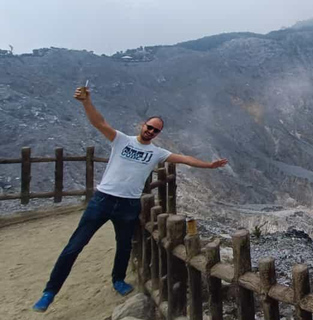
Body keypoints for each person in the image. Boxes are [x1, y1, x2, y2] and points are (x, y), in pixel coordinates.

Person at [32, 85, 228, 312]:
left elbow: (185, 159)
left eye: (155, 131)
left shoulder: (157, 153)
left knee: (124, 245)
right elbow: (99, 122)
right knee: (74, 246)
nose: (151, 132)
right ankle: (50, 292)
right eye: (149, 127)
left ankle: (118, 279)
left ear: (158, 134)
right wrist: (86, 102)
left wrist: (209, 165)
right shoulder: (121, 140)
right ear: (142, 125)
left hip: (128, 205)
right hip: (103, 200)